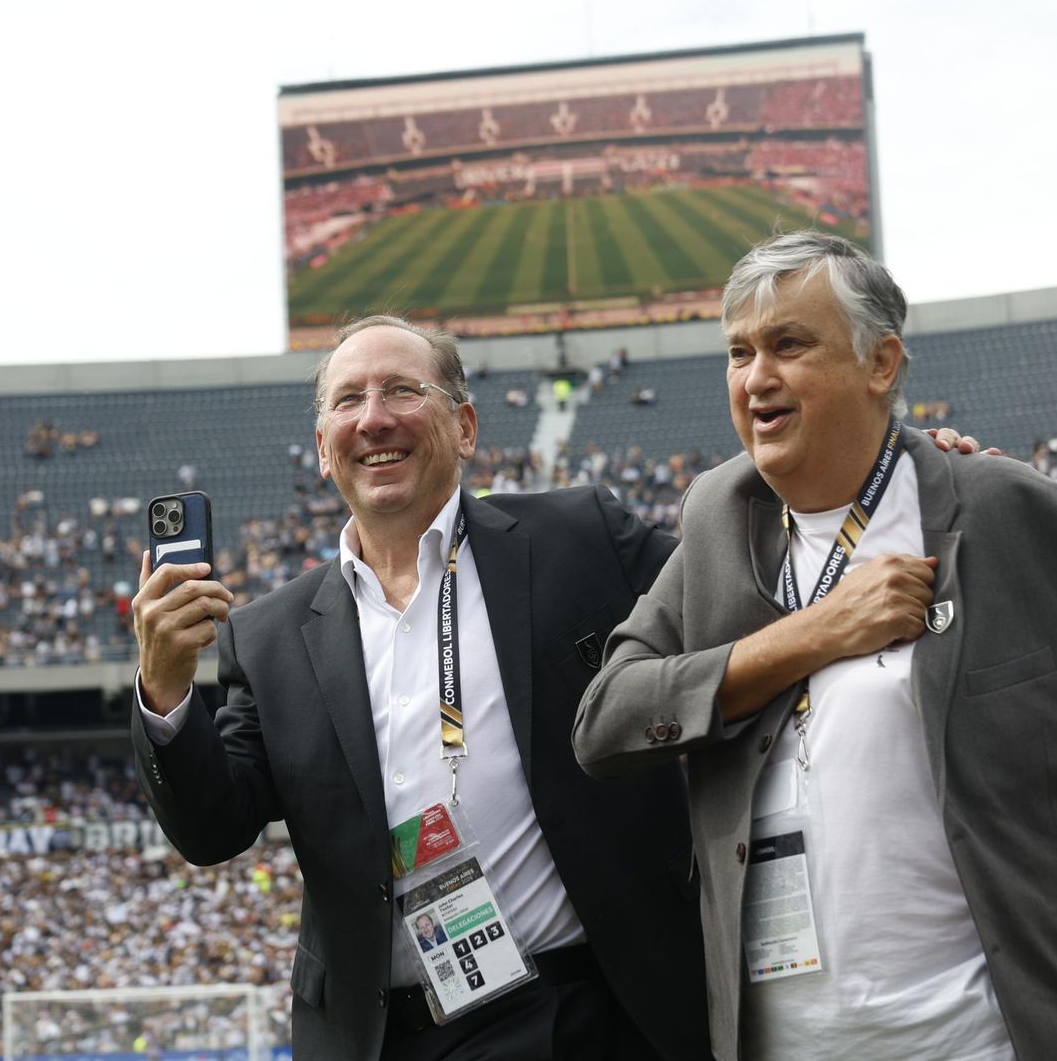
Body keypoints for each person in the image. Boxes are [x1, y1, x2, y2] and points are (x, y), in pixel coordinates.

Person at [573, 231, 1057, 1060]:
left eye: (788, 345)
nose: (755, 378)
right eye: (738, 352)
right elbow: (606, 722)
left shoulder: (1024, 521)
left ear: (881, 364)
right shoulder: (716, 517)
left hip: (993, 1039)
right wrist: (816, 633)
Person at [130, 315, 708, 1061]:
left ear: (464, 427)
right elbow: (213, 828)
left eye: (401, 390)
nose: (373, 419)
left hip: (575, 1013)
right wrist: (165, 688)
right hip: (379, 1039)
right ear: (322, 449)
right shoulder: (268, 638)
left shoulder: (578, 539)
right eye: (347, 401)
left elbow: (721, 587)